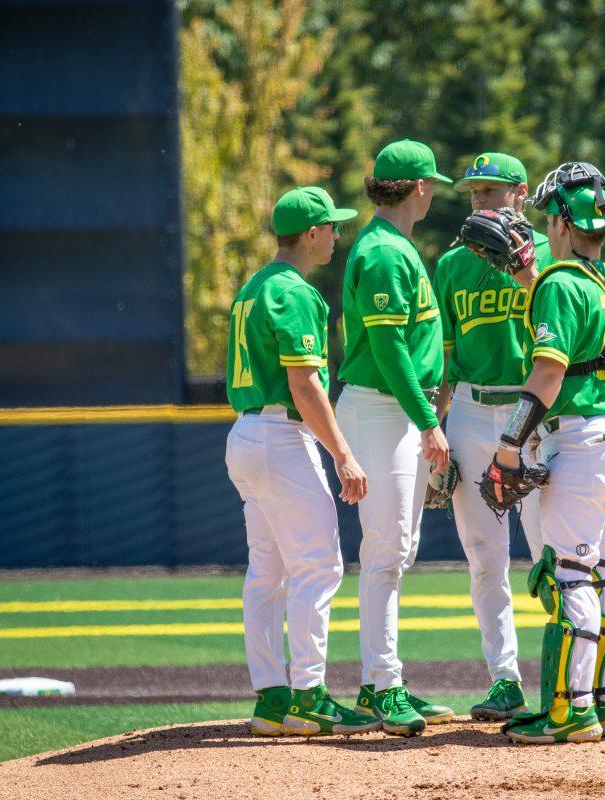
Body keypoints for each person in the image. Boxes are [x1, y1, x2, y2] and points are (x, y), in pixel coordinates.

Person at [484, 164, 605, 744]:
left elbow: (549, 371)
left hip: (578, 439)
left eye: (551, 217)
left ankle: (570, 710)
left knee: (570, 577)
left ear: (561, 222)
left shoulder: (559, 282)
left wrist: (509, 445)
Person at [224, 186, 381, 738]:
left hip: (247, 435)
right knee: (320, 567)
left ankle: (271, 696)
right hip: (279, 437)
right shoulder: (294, 291)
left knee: (267, 573)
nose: (337, 234)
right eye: (332, 226)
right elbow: (305, 383)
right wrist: (343, 454)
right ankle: (309, 695)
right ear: (311, 233)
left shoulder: (253, 288)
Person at [336, 139, 455, 736]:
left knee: (397, 551)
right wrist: (430, 421)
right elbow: (388, 349)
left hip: (396, 411)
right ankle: (384, 687)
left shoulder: (395, 246)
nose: (433, 190)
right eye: (431, 182)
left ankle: (379, 682)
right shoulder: (384, 252)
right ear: (417, 188)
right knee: (385, 552)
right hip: (381, 410)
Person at [433, 152, 551, 721]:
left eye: (492, 190)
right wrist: (434, 432)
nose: (480, 199)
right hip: (471, 414)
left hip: (534, 414)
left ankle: (569, 677)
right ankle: (505, 678)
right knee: (485, 557)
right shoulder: (452, 264)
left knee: (553, 549)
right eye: (474, 191)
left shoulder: (552, 255)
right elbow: (445, 363)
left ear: (521, 192)